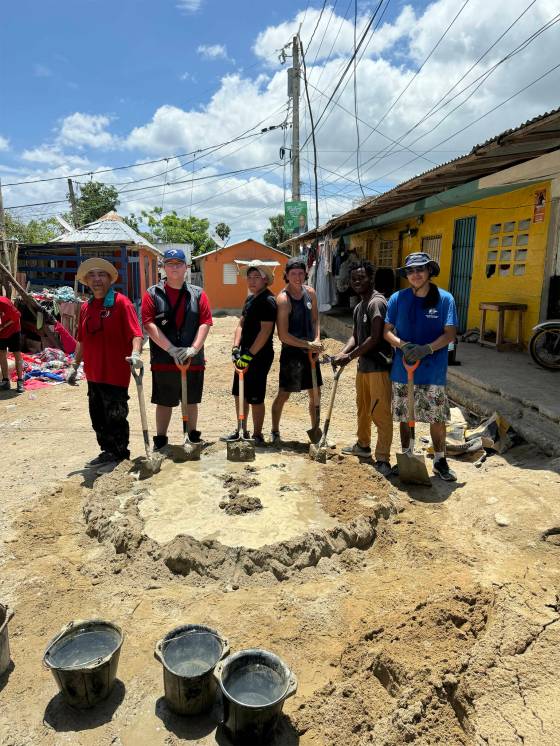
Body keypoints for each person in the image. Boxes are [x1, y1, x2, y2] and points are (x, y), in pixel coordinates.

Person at [383, 252, 458, 482]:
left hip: (433, 369)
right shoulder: (397, 298)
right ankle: (407, 454)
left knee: (437, 417)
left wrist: (427, 349)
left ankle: (440, 460)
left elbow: (450, 333)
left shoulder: (445, 299)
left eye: (420, 269)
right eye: (411, 271)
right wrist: (402, 345)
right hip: (403, 370)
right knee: (405, 416)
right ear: (407, 275)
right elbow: (386, 331)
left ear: (429, 272)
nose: (415, 274)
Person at [66, 258, 143, 466]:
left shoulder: (121, 303)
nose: (96, 279)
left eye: (101, 275)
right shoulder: (86, 307)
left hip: (115, 374)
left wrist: (136, 354)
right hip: (93, 374)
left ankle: (120, 456)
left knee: (115, 417)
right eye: (91, 275)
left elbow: (136, 334)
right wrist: (74, 366)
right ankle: (107, 452)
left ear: (110, 279)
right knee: (98, 417)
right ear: (86, 281)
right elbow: (81, 340)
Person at [141, 248, 212, 449]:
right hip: (164, 358)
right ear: (163, 267)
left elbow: (205, 322)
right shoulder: (152, 294)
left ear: (186, 268)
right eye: (169, 264)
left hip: (192, 358)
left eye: (178, 264)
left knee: (190, 400)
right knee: (164, 401)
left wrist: (194, 349)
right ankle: (161, 441)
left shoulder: (198, 294)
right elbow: (149, 324)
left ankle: (193, 436)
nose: (174, 268)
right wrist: (171, 349)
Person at [333, 261, 393, 476]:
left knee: (380, 412)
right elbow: (356, 336)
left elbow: (374, 338)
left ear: (371, 278)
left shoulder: (377, 303)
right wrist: (343, 352)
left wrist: (349, 356)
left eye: (361, 277)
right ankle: (363, 446)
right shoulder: (359, 306)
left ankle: (384, 458)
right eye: (353, 279)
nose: (357, 281)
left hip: (378, 367)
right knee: (363, 409)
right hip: (364, 367)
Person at [222, 260, 277, 446]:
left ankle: (257, 434)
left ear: (265, 280)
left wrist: (249, 356)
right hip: (244, 354)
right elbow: (240, 324)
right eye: (249, 277)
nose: (252, 281)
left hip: (259, 356)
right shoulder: (250, 299)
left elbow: (265, 332)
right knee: (239, 393)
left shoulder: (268, 301)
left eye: (256, 277)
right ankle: (241, 430)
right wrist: (235, 348)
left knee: (255, 396)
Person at [271, 256, 324, 443]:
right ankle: (275, 431)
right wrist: (307, 345)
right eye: (293, 273)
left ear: (305, 274)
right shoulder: (283, 300)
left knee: (315, 393)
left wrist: (316, 339)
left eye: (301, 273)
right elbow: (283, 335)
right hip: (292, 354)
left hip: (311, 352)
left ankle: (316, 432)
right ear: (286, 275)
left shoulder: (311, 293)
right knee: (284, 394)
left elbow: (316, 319)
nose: (298, 277)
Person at [0, 296, 24, 393]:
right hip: (1, 332)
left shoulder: (4, 302)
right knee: (1, 353)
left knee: (16, 353)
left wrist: (3, 326)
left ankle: (20, 381)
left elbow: (17, 316)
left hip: (14, 329)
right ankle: (5, 381)